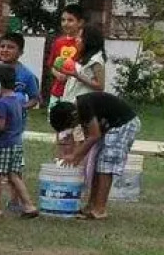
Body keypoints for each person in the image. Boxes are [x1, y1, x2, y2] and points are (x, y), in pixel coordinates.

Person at [0, 33, 42, 212]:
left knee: (15, 166)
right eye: (2, 46)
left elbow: (35, 98)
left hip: (13, 129)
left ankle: (15, 200)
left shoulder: (26, 75)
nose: (5, 50)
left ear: (20, 52)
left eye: (11, 47)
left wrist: (21, 107)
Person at [50, 92, 142, 220]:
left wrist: (75, 155)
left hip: (123, 125)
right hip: (110, 127)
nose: (73, 127)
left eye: (71, 125)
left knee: (105, 166)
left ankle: (100, 209)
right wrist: (78, 157)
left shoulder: (84, 106)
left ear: (73, 115)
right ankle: (91, 205)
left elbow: (94, 136)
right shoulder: (80, 111)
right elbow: (89, 138)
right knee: (96, 165)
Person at [0, 63, 40, 219]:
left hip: (4, 144)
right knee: (13, 175)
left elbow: (0, 126)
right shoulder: (17, 100)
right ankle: (29, 205)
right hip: (16, 143)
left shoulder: (1, 103)